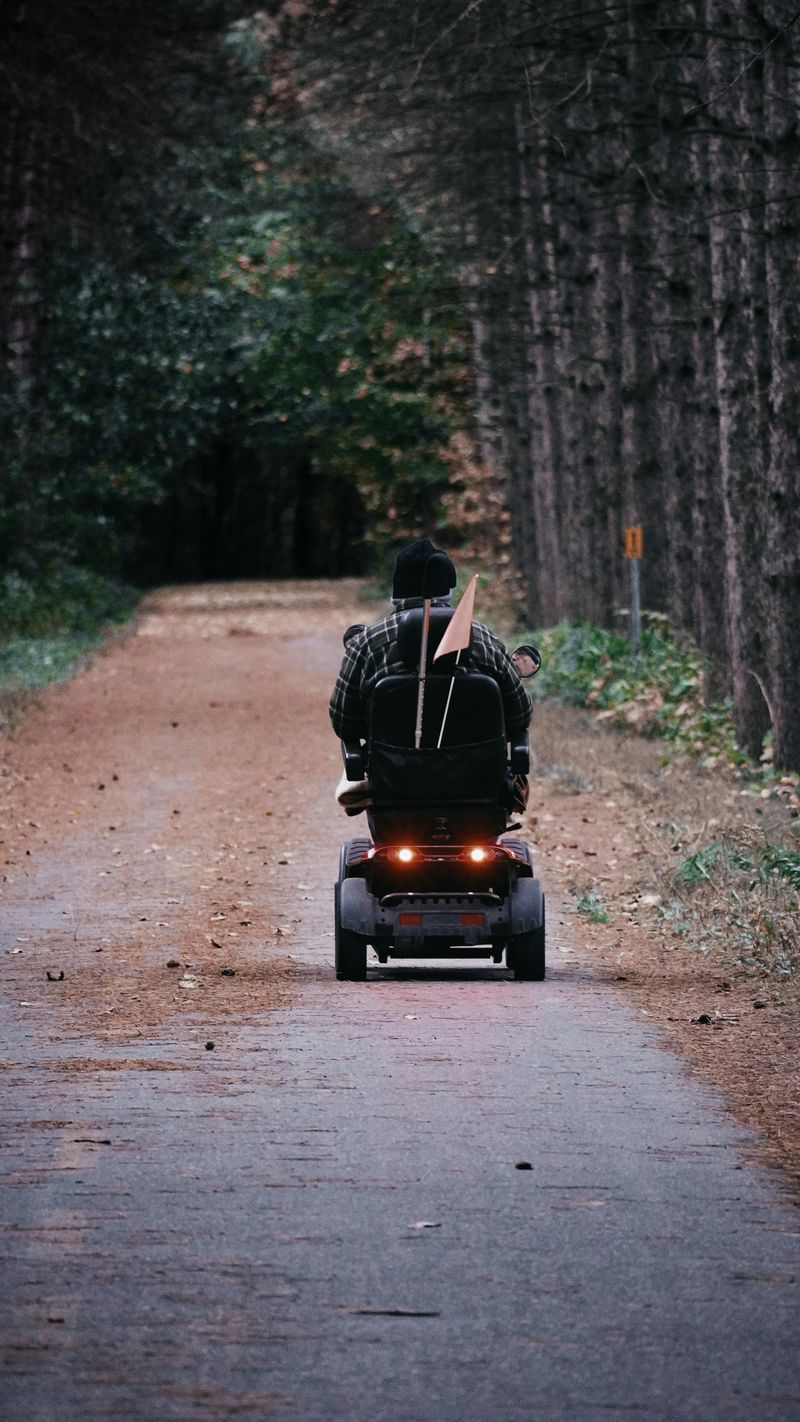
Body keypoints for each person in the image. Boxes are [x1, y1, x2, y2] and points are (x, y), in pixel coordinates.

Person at [329, 538, 531, 812]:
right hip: (478, 787)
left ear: (396, 591)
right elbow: (520, 715)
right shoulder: (483, 639)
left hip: (393, 788)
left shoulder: (367, 644)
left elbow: (344, 721)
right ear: (448, 590)